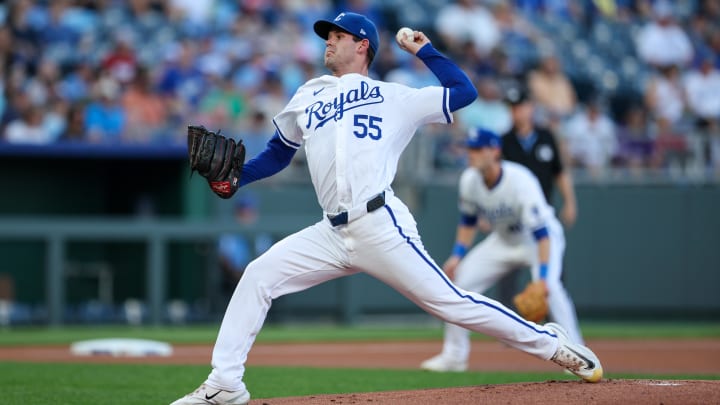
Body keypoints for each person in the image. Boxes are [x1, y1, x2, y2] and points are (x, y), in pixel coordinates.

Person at [171, 12, 602, 405]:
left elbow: (464, 92)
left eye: (338, 36)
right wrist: (238, 177)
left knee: (451, 304)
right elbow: (279, 153)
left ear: (362, 46)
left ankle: (551, 343)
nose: (329, 42)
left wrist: (424, 51)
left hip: (380, 224)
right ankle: (225, 383)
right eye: (327, 36)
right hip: (330, 233)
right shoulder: (309, 94)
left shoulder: (395, 97)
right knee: (259, 276)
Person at [420, 128, 587, 373]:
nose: (471, 154)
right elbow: (468, 221)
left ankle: (577, 352)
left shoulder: (520, 181)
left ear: (495, 151)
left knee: (550, 289)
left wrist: (541, 278)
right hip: (504, 240)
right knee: (460, 283)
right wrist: (457, 255)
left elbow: (542, 235)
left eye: (477, 149)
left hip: (538, 240)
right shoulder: (469, 180)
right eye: (470, 148)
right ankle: (454, 356)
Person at [495, 84, 579, 315]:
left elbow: (560, 172)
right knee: (507, 275)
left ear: (530, 107)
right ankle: (510, 326)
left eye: (520, 106)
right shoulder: (504, 141)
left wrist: (570, 202)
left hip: (541, 217)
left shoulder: (545, 136)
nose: (516, 112)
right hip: (512, 219)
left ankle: (555, 323)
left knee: (552, 276)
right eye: (512, 108)